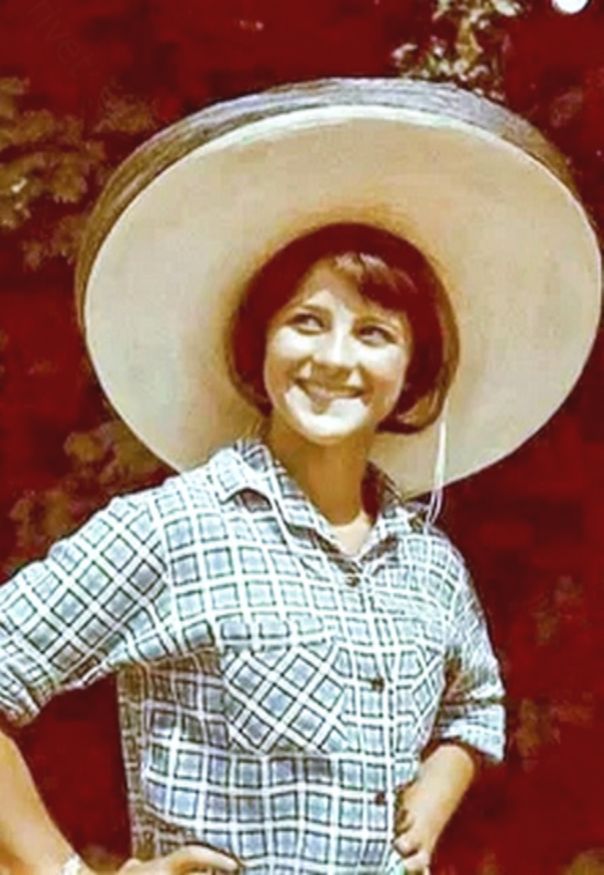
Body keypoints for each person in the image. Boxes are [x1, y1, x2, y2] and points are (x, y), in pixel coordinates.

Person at [0, 79, 600, 875]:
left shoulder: (429, 565)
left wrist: (439, 784)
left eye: (374, 332)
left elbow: (475, 702)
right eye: (307, 321)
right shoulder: (178, 529)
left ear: (411, 371)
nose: (334, 358)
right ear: (260, 344)